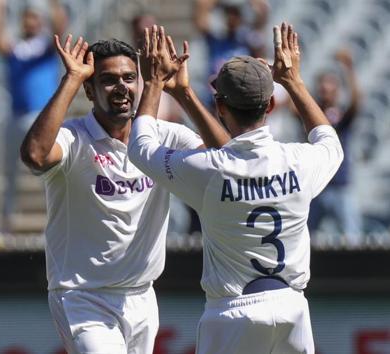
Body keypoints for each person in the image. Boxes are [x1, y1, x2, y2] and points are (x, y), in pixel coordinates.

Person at [129, 23, 343, 353]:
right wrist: (294, 81)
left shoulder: (207, 170)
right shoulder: (300, 160)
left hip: (232, 312)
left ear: (220, 106)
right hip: (291, 309)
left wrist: (155, 83)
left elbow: (141, 148)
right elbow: (329, 141)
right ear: (270, 106)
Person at [19, 34, 227, 353]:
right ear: (89, 90)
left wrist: (183, 93)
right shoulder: (73, 138)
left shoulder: (163, 135)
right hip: (83, 297)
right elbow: (35, 154)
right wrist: (72, 79)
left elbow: (229, 161)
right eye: (108, 80)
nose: (121, 87)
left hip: (142, 295)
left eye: (130, 78)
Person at [0, 0, 68, 233]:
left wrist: (54, 5)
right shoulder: (18, 48)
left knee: (52, 171)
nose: (30, 22)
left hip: (42, 118)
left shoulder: (45, 46)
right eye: (27, 18)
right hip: (16, 115)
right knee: (7, 174)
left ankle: (58, 221)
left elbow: (60, 30)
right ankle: (4, 225)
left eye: (34, 18)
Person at [308, 48, 363, 245]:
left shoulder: (341, 115)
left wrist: (349, 70)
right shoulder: (311, 115)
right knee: (305, 240)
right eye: (323, 84)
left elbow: (356, 103)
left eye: (330, 84)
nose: (326, 88)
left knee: (353, 241)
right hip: (317, 187)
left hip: (341, 187)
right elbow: (293, 106)